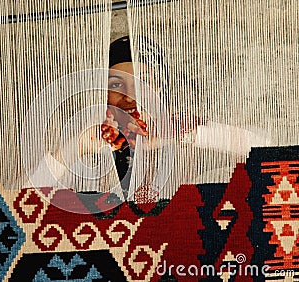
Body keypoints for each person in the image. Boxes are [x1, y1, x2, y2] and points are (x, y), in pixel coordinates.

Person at [25, 36, 272, 201]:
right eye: (116, 84)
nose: (130, 96)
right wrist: (75, 149)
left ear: (159, 90)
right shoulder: (89, 154)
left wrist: (188, 132)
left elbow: (272, 153)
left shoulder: (188, 145)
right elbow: (18, 205)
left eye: (144, 83)